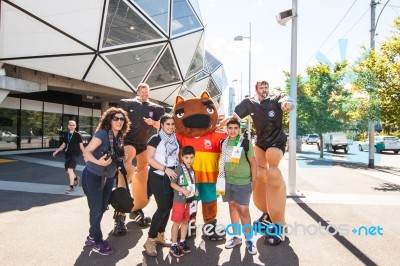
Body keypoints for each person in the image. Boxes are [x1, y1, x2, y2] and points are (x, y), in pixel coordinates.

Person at [229, 80, 295, 245]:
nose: (265, 89)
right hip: (261, 143)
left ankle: (279, 224)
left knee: (273, 170)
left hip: (276, 143)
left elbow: (286, 100)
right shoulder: (249, 103)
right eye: (262, 87)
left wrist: (288, 104)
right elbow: (234, 119)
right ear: (256, 89)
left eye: (266, 87)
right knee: (258, 173)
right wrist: (217, 126)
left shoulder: (275, 100)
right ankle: (267, 212)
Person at [115, 82, 165, 234]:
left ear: (149, 93)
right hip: (128, 142)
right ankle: (120, 215)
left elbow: (163, 126)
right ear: (137, 91)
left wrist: (154, 123)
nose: (144, 94)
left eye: (146, 92)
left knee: (143, 174)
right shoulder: (126, 103)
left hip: (144, 145)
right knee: (126, 170)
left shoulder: (156, 108)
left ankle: (136, 208)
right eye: (141, 91)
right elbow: (116, 122)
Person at [81, 107, 131, 256]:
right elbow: (86, 152)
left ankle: (91, 235)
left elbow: (116, 154)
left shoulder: (120, 137)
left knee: (102, 209)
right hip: (93, 177)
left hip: (108, 178)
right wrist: (99, 162)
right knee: (96, 210)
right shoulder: (102, 134)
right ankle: (97, 242)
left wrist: (124, 156)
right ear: (109, 120)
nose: (119, 121)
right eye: (116, 118)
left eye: (122, 119)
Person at [220, 118, 257, 255]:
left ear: (239, 129)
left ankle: (249, 239)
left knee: (244, 210)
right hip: (228, 181)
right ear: (227, 129)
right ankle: (236, 236)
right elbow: (226, 162)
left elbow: (253, 163)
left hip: (243, 182)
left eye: (236, 128)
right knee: (232, 207)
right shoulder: (223, 143)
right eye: (230, 128)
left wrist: (254, 181)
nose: (233, 131)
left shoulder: (245, 143)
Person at [143, 114, 179, 257]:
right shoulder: (155, 139)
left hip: (171, 176)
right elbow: (149, 159)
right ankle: (150, 239)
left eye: (172, 124)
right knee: (163, 207)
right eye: (167, 124)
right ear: (162, 125)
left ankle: (160, 235)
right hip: (158, 176)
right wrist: (165, 169)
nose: (170, 127)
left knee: (168, 207)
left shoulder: (175, 139)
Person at [169, 145, 198, 257]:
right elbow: (172, 183)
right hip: (179, 201)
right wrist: (182, 190)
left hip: (189, 201)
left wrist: (195, 191)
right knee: (177, 222)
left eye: (191, 157)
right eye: (186, 157)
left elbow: (191, 184)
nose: (189, 160)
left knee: (185, 221)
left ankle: (182, 241)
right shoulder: (179, 169)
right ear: (182, 157)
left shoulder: (192, 169)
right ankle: (173, 244)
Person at [53, 120, 85, 194]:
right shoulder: (66, 134)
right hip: (67, 154)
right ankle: (76, 178)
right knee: (68, 171)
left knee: (70, 169)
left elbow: (81, 146)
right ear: (68, 126)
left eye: (73, 125)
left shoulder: (77, 135)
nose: (71, 126)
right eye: (70, 125)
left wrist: (85, 154)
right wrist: (57, 151)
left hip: (75, 155)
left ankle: (71, 187)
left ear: (75, 126)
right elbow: (64, 144)